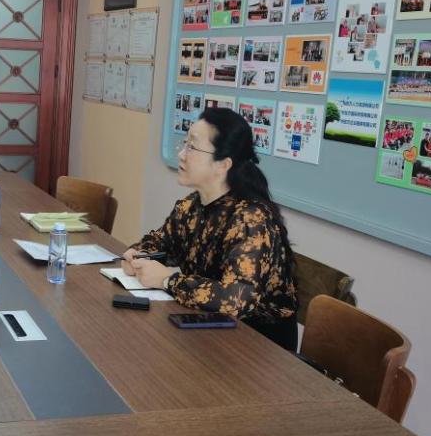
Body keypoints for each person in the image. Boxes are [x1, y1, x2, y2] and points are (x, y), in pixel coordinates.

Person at [121, 108, 299, 350]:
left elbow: (235, 299)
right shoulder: (191, 206)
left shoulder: (251, 220)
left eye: (192, 147)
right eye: (185, 144)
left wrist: (167, 280)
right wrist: (138, 256)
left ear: (223, 164)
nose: (181, 154)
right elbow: (159, 243)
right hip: (206, 329)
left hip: (258, 347)